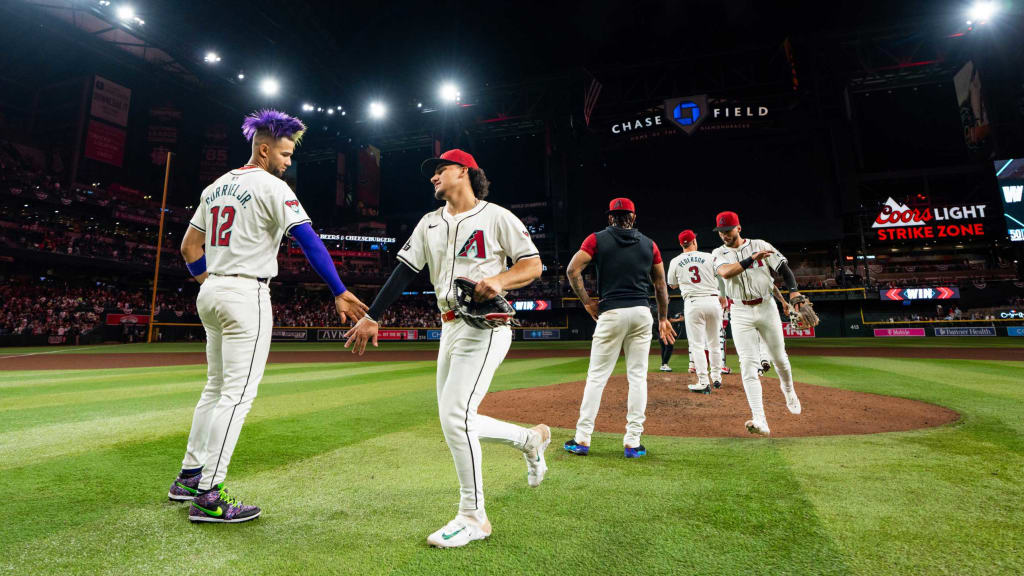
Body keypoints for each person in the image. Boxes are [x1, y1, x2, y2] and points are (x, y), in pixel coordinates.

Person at [343, 149, 550, 549]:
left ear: (465, 172)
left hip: (486, 325)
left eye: (441, 170)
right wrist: (374, 316)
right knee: (456, 419)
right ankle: (529, 439)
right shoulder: (429, 222)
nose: (433, 177)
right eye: (433, 172)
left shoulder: (496, 216)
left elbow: (532, 265)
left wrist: (501, 279)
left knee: (457, 416)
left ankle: (474, 517)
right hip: (450, 326)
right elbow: (404, 269)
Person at [168, 110, 367, 523]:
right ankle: (210, 495)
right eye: (285, 153)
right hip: (246, 292)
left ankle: (189, 477)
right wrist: (339, 290)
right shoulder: (272, 187)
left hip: (212, 289)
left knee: (215, 388)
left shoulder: (215, 186)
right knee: (236, 396)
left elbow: (189, 248)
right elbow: (309, 241)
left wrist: (211, 282)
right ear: (264, 149)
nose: (288, 161)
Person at [564, 197, 675, 458]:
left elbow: (572, 270)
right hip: (640, 312)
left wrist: (588, 303)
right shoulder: (650, 244)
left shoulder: (596, 239)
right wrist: (663, 318)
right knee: (637, 377)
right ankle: (633, 443)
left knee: (597, 377)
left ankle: (582, 439)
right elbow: (660, 285)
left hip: (611, 312)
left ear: (610, 217)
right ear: (634, 217)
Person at [711, 211, 801, 435]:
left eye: (728, 230)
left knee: (780, 358)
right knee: (748, 365)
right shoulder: (718, 253)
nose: (724, 235)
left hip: (766, 307)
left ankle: (788, 390)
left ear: (738, 228)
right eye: (721, 231)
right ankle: (759, 419)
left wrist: (793, 293)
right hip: (740, 310)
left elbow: (784, 269)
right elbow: (726, 273)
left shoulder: (760, 244)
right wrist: (752, 258)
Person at [666, 230, 723, 393]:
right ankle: (717, 378)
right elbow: (720, 277)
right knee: (714, 343)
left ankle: (704, 382)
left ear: (680, 244)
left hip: (693, 303)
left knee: (697, 345)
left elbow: (672, 285)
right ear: (694, 241)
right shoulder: (709, 257)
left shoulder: (676, 261)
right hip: (713, 300)